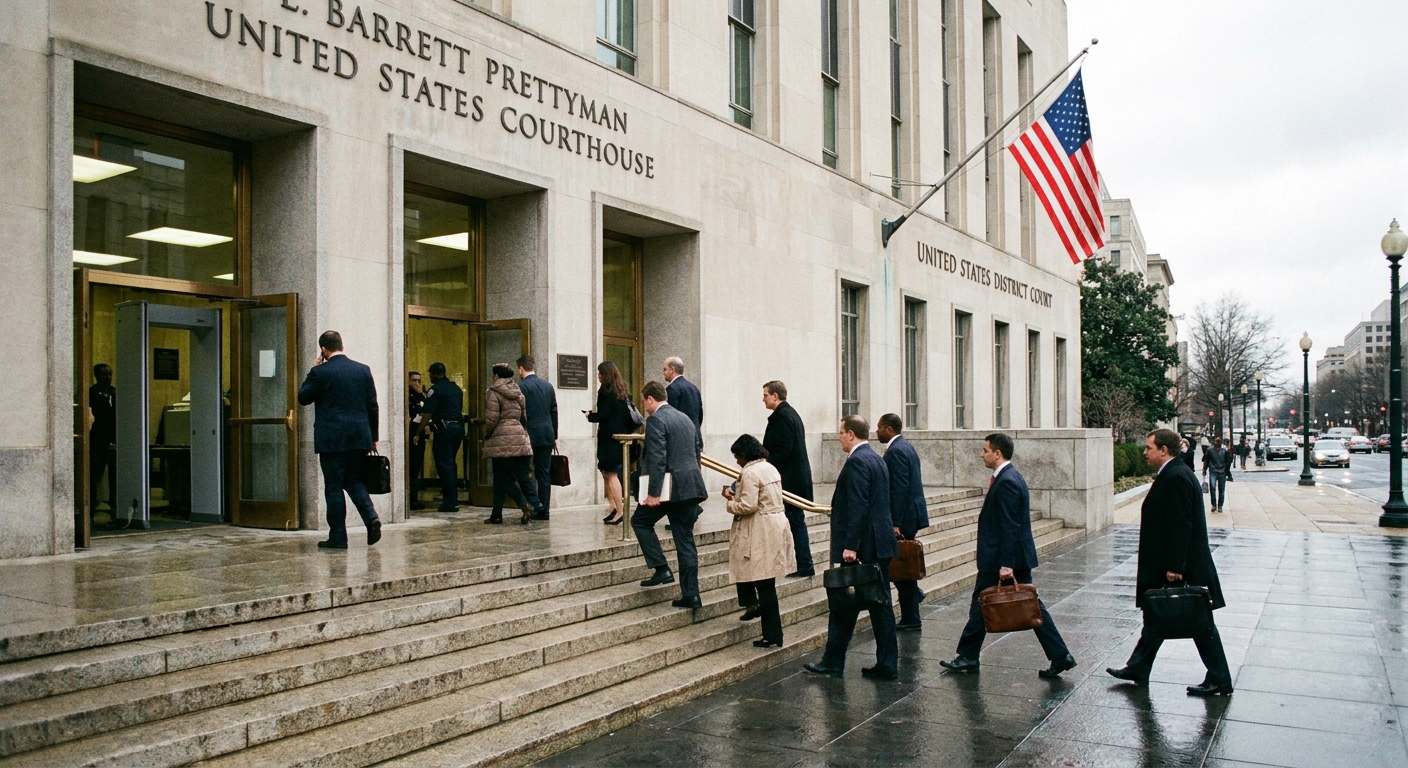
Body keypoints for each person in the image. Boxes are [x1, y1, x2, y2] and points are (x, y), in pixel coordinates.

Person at [1107, 428, 1233, 697]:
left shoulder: (1175, 476)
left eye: (1148, 448)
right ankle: (1138, 666)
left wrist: (1176, 566)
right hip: (1176, 562)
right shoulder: (1175, 472)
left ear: (1163, 450)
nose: (1144, 452)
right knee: (1156, 616)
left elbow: (1180, 525)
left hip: (1180, 566)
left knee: (1200, 625)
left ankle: (1220, 678)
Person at [941, 433, 1076, 678]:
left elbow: (1010, 525)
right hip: (1005, 557)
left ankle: (968, 657)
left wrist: (1005, 564)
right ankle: (1060, 655)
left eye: (985, 450)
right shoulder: (1006, 477)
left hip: (1002, 559)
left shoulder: (1007, 481)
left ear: (997, 453)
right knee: (1026, 605)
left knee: (988, 603)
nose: (981, 454)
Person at [803, 415, 899, 680]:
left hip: (864, 545)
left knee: (850, 605)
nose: (839, 437)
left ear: (851, 435)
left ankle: (835, 661)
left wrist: (850, 546)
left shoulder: (858, 461)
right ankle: (882, 663)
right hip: (879, 542)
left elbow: (858, 505)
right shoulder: (876, 458)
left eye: (841, 432)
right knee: (877, 606)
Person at [297, 330, 382, 549]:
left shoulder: (320, 372)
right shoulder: (363, 370)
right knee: (354, 480)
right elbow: (373, 406)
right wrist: (373, 437)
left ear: (323, 350)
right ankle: (371, 516)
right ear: (341, 345)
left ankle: (338, 536)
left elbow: (303, 397)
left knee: (334, 486)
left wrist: (313, 370)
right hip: (359, 436)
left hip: (332, 438)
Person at [632, 380, 709, 609]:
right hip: (690, 487)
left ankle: (661, 568)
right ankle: (691, 595)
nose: (644, 407)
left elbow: (657, 458)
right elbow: (696, 452)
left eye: (644, 401)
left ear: (650, 399)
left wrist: (653, 493)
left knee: (640, 521)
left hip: (668, 489)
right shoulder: (684, 418)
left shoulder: (656, 419)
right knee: (685, 543)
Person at [721, 433, 795, 647]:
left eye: (737, 456)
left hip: (758, 529)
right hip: (774, 525)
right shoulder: (770, 468)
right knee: (765, 581)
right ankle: (769, 628)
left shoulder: (750, 473)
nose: (736, 461)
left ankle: (771, 634)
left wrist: (730, 502)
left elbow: (748, 505)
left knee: (763, 584)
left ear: (745, 454)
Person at [876, 413, 929, 631]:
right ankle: (914, 600)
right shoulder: (905, 446)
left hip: (904, 517)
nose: (876, 431)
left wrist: (894, 522)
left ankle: (911, 617)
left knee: (903, 567)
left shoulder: (896, 451)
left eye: (879, 427)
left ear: (889, 429)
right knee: (903, 565)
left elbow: (898, 489)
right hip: (911, 513)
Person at [762, 381, 816, 578]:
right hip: (794, 478)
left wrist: (764, 466)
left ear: (775, 396)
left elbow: (782, 449)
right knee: (795, 521)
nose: (763, 399)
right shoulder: (789, 413)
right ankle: (801, 563)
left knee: (795, 522)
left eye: (766, 395)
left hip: (790, 480)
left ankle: (804, 564)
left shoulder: (782, 417)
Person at [482, 363, 542, 525]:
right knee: (512, 476)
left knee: (502, 478)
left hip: (501, 439)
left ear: (496, 376)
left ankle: (524, 505)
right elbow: (524, 417)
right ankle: (497, 514)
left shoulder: (493, 392)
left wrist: (487, 435)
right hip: (519, 438)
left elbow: (492, 419)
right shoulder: (518, 392)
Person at [586, 361, 634, 525]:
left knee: (611, 474)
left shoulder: (605, 391)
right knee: (607, 473)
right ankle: (614, 507)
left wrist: (590, 416)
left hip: (609, 439)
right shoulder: (621, 390)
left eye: (600, 373)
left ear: (606, 374)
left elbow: (604, 415)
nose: (598, 376)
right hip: (619, 437)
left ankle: (620, 511)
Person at [418, 362, 465, 512]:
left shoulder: (435, 390)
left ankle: (450, 502)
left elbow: (427, 413)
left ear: (435, 374)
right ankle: (453, 498)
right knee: (451, 463)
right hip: (458, 428)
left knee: (444, 465)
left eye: (430, 374)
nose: (430, 377)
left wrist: (418, 431)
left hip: (444, 430)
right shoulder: (456, 388)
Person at [516, 355, 558, 520]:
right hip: (546, 435)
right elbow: (554, 411)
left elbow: (519, 413)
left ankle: (534, 505)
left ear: (520, 369)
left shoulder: (521, 387)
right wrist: (554, 434)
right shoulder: (548, 386)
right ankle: (544, 510)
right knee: (543, 474)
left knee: (525, 473)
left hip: (528, 435)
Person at [88, 363, 117, 515]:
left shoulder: (114, 391)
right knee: (94, 471)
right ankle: (91, 505)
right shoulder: (92, 392)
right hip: (97, 436)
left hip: (112, 435)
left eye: (110, 374)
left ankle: (115, 504)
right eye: (104, 374)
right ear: (97, 376)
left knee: (114, 472)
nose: (108, 377)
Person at [663, 357, 703, 445]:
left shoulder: (672, 389)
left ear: (672, 369)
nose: (663, 373)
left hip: (681, 442)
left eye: (665, 369)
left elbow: (671, 418)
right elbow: (699, 415)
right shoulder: (693, 388)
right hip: (696, 438)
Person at [407, 371, 427, 511]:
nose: (417, 383)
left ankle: (414, 498)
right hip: (411, 434)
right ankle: (411, 499)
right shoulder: (407, 396)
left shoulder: (421, 396)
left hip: (419, 435)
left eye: (419, 381)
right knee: (412, 468)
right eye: (414, 380)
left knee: (416, 467)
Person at [1202, 437, 1232, 513]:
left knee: (1221, 489)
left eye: (1218, 441)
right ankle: (1214, 505)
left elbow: (1228, 461)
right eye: (1216, 441)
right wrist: (1204, 469)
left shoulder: (1224, 451)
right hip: (1213, 470)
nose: (1217, 443)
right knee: (1213, 488)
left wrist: (1227, 471)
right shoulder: (1210, 450)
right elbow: (1206, 460)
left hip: (1221, 471)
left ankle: (1220, 505)